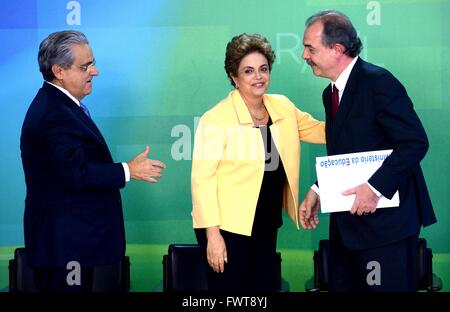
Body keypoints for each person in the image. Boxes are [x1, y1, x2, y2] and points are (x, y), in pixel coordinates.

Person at [299, 10, 436, 292]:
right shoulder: (331, 94)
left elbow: (415, 142)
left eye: (310, 48)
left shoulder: (378, 82)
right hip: (348, 230)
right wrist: (318, 189)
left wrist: (374, 188)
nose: (304, 55)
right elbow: (348, 153)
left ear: (337, 49)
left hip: (388, 230)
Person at [20, 30, 166, 292]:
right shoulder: (55, 114)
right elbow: (74, 174)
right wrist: (128, 171)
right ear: (59, 71)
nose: (95, 71)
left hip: (71, 244)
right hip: (66, 246)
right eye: (85, 66)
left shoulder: (60, 106)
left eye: (92, 64)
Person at [191, 33, 325, 291]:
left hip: (266, 222)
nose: (258, 77)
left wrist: (360, 120)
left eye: (263, 69)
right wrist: (213, 236)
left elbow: (322, 131)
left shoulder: (282, 107)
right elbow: (202, 181)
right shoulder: (216, 118)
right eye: (249, 71)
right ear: (234, 77)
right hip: (227, 229)